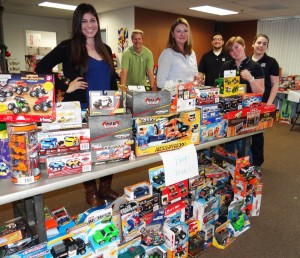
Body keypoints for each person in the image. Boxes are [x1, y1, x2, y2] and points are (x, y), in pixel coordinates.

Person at [35, 3, 119, 207]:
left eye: (92, 20)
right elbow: (41, 68)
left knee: (109, 148)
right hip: (80, 110)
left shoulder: (105, 48)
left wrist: (118, 102)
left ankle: (105, 188)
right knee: (86, 151)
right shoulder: (68, 46)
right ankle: (90, 192)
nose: (89, 25)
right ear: (77, 24)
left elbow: (112, 80)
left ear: (97, 22)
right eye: (84, 21)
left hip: (106, 108)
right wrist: (65, 85)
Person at [219, 36, 265, 157]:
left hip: (246, 112)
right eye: (231, 50)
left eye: (236, 47)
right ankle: (230, 170)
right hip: (228, 111)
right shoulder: (226, 66)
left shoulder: (255, 66)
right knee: (227, 145)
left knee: (242, 146)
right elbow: (220, 88)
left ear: (243, 46)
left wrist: (251, 79)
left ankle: (246, 173)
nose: (234, 51)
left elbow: (260, 92)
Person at [250, 34, 280, 171]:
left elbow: (275, 84)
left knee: (257, 134)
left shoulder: (271, 62)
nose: (261, 45)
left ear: (267, 46)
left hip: (262, 104)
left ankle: (256, 163)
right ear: (253, 44)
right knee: (240, 133)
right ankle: (241, 160)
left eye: (264, 43)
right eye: (259, 42)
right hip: (246, 103)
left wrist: (268, 104)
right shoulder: (245, 61)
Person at [156, 17, 199, 89]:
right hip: (173, 98)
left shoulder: (192, 53)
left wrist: (197, 79)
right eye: (178, 31)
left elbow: (194, 77)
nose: (182, 34)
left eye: (185, 31)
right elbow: (160, 83)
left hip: (190, 97)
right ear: (173, 34)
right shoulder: (168, 53)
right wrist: (182, 84)